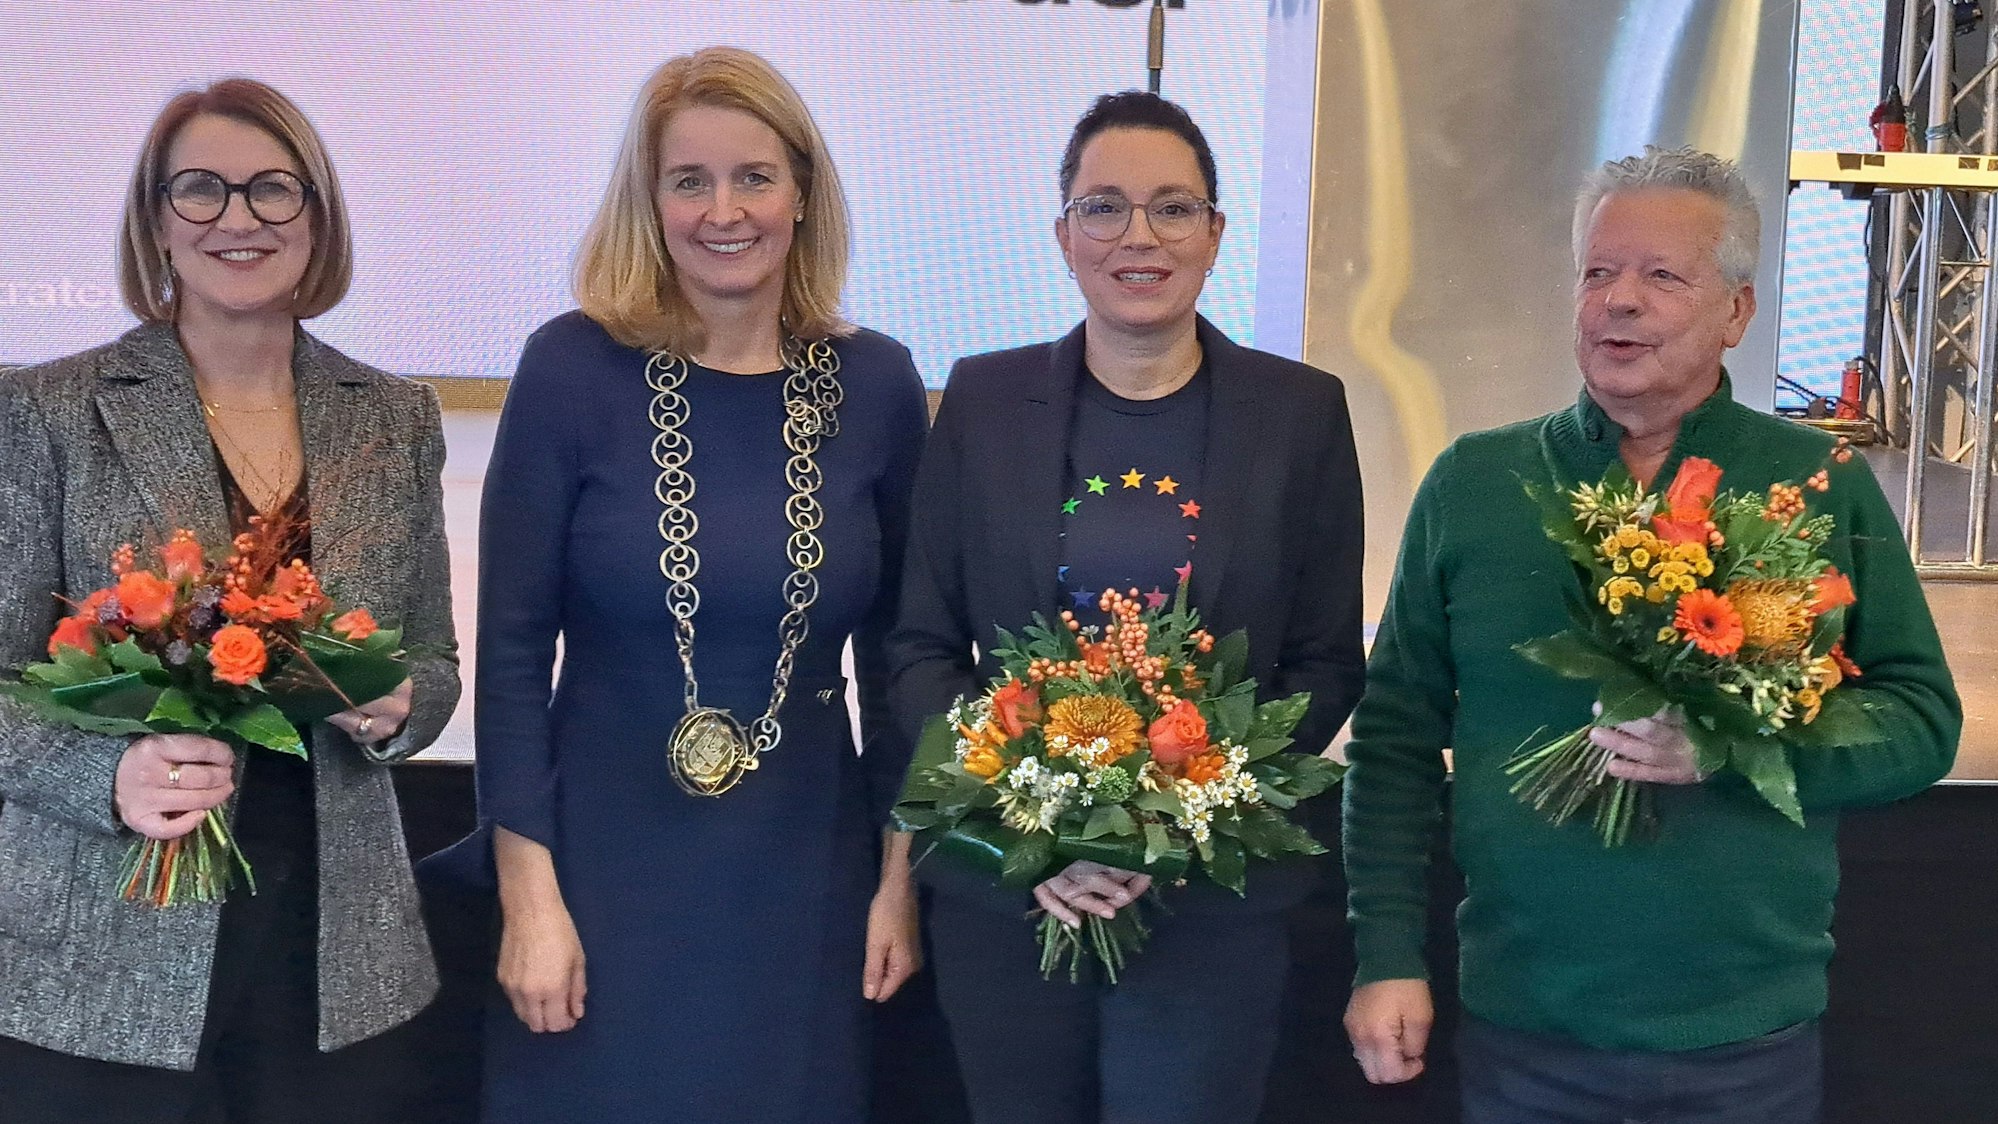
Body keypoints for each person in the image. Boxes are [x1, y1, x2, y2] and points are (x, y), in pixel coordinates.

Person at [1341, 146, 1962, 1124]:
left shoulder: (1814, 484)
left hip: (1742, 1038)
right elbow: (1394, 737)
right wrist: (1384, 954)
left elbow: (1922, 719)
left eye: (1661, 274)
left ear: (1738, 312)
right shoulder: (1475, 483)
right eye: (1597, 271)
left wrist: (1733, 745)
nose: (1617, 300)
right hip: (1525, 1025)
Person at [466, 46, 928, 1124]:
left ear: (803, 192)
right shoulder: (570, 367)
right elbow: (510, 652)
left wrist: (899, 877)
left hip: (807, 870)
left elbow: (906, 659)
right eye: (690, 180)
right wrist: (528, 899)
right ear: (651, 200)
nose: (726, 210)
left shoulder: (879, 384)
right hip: (600, 872)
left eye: (754, 176)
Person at [887, 90, 1366, 1124]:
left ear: (1215, 232)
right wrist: (1039, 828)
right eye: (1104, 207)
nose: (1137, 235)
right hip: (1010, 896)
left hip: (1211, 903)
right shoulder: (980, 399)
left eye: (1172, 208)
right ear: (1063, 234)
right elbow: (920, 644)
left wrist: (1176, 817)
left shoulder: (1301, 413)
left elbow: (1327, 661)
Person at [0, 78, 460, 1123]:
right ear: (156, 220)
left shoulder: (393, 414)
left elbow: (432, 658)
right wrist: (109, 770)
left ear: (318, 215)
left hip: (336, 951)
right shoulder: (44, 409)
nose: (238, 219)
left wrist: (397, 706)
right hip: (97, 951)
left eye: (272, 191)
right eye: (200, 190)